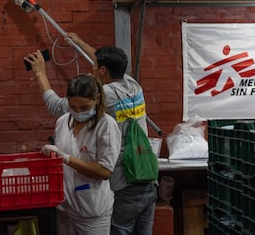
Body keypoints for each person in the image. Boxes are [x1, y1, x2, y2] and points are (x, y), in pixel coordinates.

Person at [25, 36, 157, 235]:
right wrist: (78, 42)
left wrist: (40, 73)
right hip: (147, 177)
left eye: (95, 65)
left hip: (124, 182)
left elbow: (55, 106)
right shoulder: (132, 85)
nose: (93, 68)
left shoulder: (105, 99)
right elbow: (105, 62)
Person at [40, 74, 121, 235]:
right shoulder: (63, 122)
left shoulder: (106, 126)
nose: (78, 112)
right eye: (73, 107)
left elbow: (104, 171)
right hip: (65, 208)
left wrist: (67, 158)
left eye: (84, 107)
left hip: (92, 211)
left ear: (97, 99)